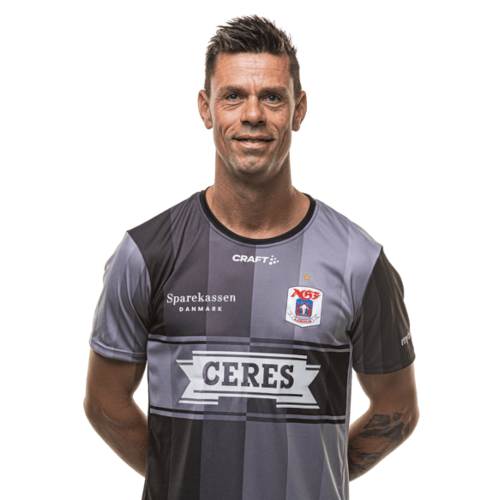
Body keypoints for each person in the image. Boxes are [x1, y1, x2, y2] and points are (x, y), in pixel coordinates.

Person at [83, 14, 419, 500]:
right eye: (234, 96)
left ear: (300, 109)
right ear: (205, 108)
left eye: (273, 97)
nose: (253, 114)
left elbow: (398, 410)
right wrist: (179, 480)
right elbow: (105, 403)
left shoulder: (360, 261)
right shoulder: (145, 252)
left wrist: (312, 478)